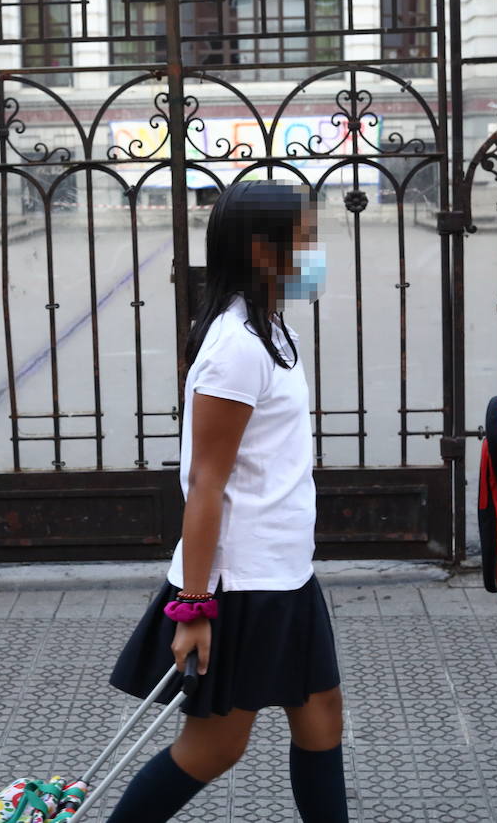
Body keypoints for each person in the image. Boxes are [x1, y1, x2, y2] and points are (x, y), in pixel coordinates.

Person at [105, 181, 348, 823]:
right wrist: (193, 607)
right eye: (305, 238)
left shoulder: (270, 329)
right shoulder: (235, 348)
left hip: (287, 571)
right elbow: (205, 483)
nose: (315, 252)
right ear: (265, 252)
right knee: (214, 747)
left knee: (322, 717)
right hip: (242, 583)